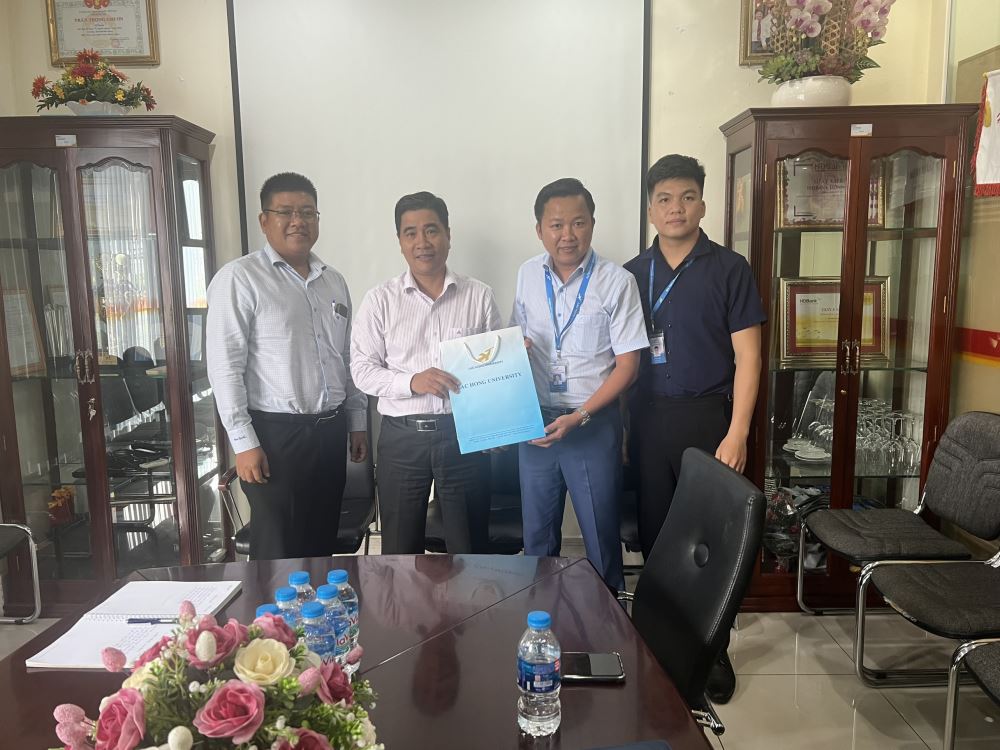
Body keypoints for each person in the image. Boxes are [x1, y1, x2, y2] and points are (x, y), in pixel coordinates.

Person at [624, 154, 766, 704]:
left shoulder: (729, 268)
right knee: (657, 534)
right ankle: (659, 640)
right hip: (648, 418)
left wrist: (738, 432)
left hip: (709, 418)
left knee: (712, 540)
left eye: (686, 197)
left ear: (703, 204)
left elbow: (749, 357)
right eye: (664, 199)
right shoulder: (632, 274)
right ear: (650, 210)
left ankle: (714, 648)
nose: (675, 208)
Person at [207, 172, 368, 560]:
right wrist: (244, 443)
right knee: (279, 550)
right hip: (275, 437)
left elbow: (348, 356)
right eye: (286, 212)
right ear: (264, 221)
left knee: (322, 544)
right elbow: (225, 366)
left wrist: (357, 420)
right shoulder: (240, 279)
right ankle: (272, 606)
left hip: (330, 432)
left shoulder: (333, 281)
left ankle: (317, 604)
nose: (299, 221)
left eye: (308, 212)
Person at [512, 178, 648, 593]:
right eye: (556, 225)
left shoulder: (617, 281)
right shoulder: (527, 275)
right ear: (539, 229)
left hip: (592, 424)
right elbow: (517, 343)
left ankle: (608, 626)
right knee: (537, 542)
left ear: (592, 223)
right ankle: (541, 621)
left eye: (578, 222)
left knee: (601, 542)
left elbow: (629, 366)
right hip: (535, 425)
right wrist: (516, 350)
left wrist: (581, 415)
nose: (567, 235)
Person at [351, 191, 502, 554]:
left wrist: (511, 358)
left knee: (470, 551)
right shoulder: (380, 300)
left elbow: (495, 370)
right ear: (400, 241)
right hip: (401, 439)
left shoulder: (479, 296)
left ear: (448, 234)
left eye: (431, 230)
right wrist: (412, 382)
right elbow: (361, 370)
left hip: (462, 435)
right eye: (411, 233)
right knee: (400, 553)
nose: (422, 242)